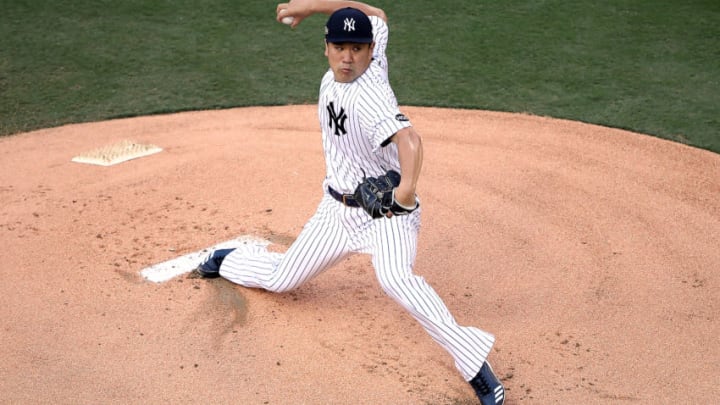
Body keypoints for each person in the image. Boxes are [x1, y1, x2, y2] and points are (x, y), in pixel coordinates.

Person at [191, 1, 505, 403]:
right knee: (282, 278)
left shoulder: (369, 96)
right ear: (326, 47)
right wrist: (309, 6)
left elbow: (410, 141)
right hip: (336, 213)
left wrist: (404, 196)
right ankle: (228, 258)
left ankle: (474, 364)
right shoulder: (366, 58)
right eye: (340, 46)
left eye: (357, 48)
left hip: (383, 216)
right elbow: (377, 14)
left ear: (370, 50)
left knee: (396, 279)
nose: (347, 56)